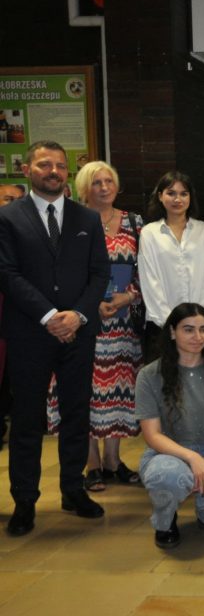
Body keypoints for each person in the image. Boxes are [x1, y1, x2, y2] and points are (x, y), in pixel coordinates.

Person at [0, 141, 109, 536]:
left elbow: (99, 273)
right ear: (27, 169)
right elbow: (7, 273)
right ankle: (25, 500)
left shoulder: (87, 218)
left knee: (76, 413)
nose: (54, 171)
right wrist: (48, 315)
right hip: (30, 332)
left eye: (61, 166)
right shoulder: (8, 217)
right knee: (28, 419)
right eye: (45, 164)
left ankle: (73, 490)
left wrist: (77, 315)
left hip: (78, 332)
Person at [136, 303, 204, 549]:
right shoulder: (150, 375)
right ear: (172, 332)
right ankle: (165, 521)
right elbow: (152, 435)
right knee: (168, 477)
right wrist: (192, 458)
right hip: (166, 452)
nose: (198, 337)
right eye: (188, 329)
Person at [76, 161, 145, 492]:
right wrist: (90, 304)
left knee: (119, 390)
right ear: (84, 188)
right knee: (88, 391)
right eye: (96, 182)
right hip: (86, 322)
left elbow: (147, 270)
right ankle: (92, 464)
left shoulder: (134, 222)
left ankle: (113, 461)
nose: (103, 187)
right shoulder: (73, 221)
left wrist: (128, 296)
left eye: (109, 181)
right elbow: (65, 272)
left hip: (123, 322)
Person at [139, 172, 204, 361]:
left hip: (199, 329)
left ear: (190, 197)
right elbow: (150, 281)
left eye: (183, 194)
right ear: (160, 196)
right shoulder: (149, 233)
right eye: (171, 193)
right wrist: (171, 325)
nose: (177, 199)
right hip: (161, 327)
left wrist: (196, 323)